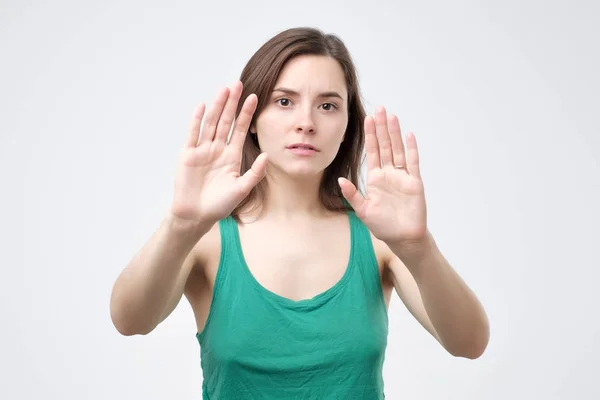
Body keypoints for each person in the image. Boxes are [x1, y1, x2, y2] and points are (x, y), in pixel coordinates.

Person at [109, 26, 490, 399]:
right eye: (284, 101)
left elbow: (469, 344)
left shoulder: (380, 242)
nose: (306, 122)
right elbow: (130, 321)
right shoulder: (206, 239)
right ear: (253, 119)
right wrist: (179, 226)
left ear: (346, 127)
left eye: (327, 105)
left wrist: (419, 247)